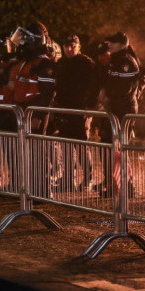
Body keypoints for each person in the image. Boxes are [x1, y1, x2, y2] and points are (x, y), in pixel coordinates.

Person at [95, 32, 143, 198]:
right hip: (113, 109)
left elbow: (125, 89)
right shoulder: (114, 60)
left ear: (122, 44)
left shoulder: (126, 61)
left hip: (123, 110)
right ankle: (113, 183)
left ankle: (127, 185)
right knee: (108, 146)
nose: (109, 45)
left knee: (120, 148)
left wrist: (107, 94)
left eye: (113, 43)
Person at [53, 34, 98, 192]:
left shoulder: (86, 63)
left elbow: (95, 86)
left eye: (73, 45)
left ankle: (88, 179)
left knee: (80, 145)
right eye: (66, 46)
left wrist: (90, 107)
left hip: (81, 110)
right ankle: (67, 179)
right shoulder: (61, 63)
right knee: (65, 145)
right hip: (64, 109)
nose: (69, 48)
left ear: (79, 46)